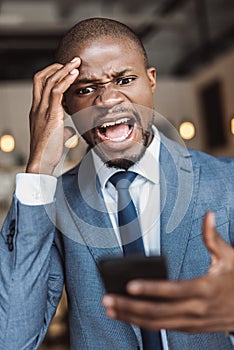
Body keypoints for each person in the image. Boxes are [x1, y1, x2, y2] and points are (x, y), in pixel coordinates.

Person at [0, 17, 234, 350]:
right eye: (85, 89)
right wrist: (39, 169)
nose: (108, 99)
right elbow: (11, 337)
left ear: (151, 82)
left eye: (124, 79)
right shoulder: (54, 205)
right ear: (64, 105)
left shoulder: (228, 182)